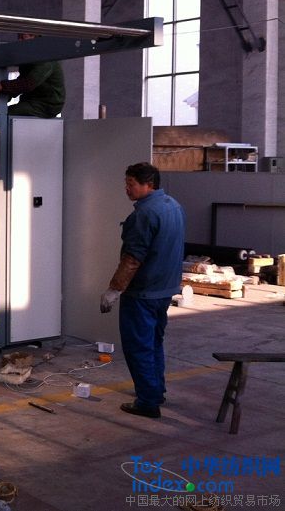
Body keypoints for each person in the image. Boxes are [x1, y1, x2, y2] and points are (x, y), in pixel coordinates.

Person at [100, 162, 185, 419]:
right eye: (126, 183)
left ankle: (147, 402)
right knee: (154, 342)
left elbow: (132, 259)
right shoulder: (173, 206)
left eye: (131, 184)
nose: (127, 189)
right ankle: (156, 391)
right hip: (164, 290)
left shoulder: (143, 215)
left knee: (138, 346)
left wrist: (114, 290)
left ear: (148, 184)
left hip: (143, 292)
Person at [0, 32, 65, 117]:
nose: (19, 41)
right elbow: (22, 81)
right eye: (18, 37)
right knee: (0, 111)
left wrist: (1, 87)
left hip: (47, 105)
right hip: (32, 100)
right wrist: (4, 95)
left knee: (7, 113)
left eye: (22, 37)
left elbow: (28, 83)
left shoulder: (45, 59)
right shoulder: (29, 57)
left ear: (33, 36)